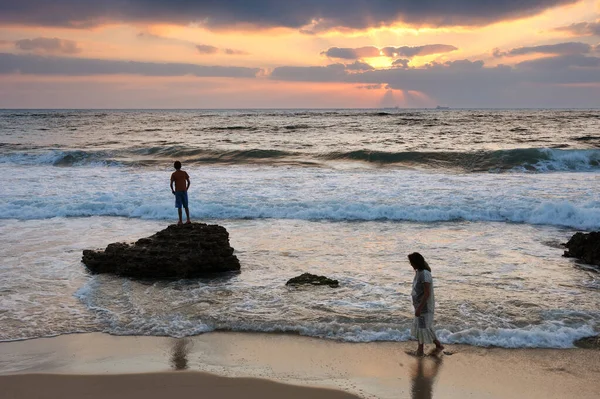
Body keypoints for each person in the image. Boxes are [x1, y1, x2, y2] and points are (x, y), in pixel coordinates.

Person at [408, 252, 444, 356]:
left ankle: (420, 350)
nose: (410, 264)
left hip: (424, 307)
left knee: (422, 328)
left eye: (411, 262)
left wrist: (419, 308)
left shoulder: (424, 273)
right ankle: (438, 345)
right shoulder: (419, 272)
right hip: (419, 306)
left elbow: (427, 293)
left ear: (416, 262)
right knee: (425, 327)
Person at [170, 161, 191, 225]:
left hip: (178, 191)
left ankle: (180, 221)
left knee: (179, 206)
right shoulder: (184, 173)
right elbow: (189, 182)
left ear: (174, 167)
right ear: (181, 166)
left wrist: (173, 190)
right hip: (184, 191)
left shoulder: (174, 174)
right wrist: (186, 188)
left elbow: (171, 184)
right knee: (186, 206)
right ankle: (188, 220)